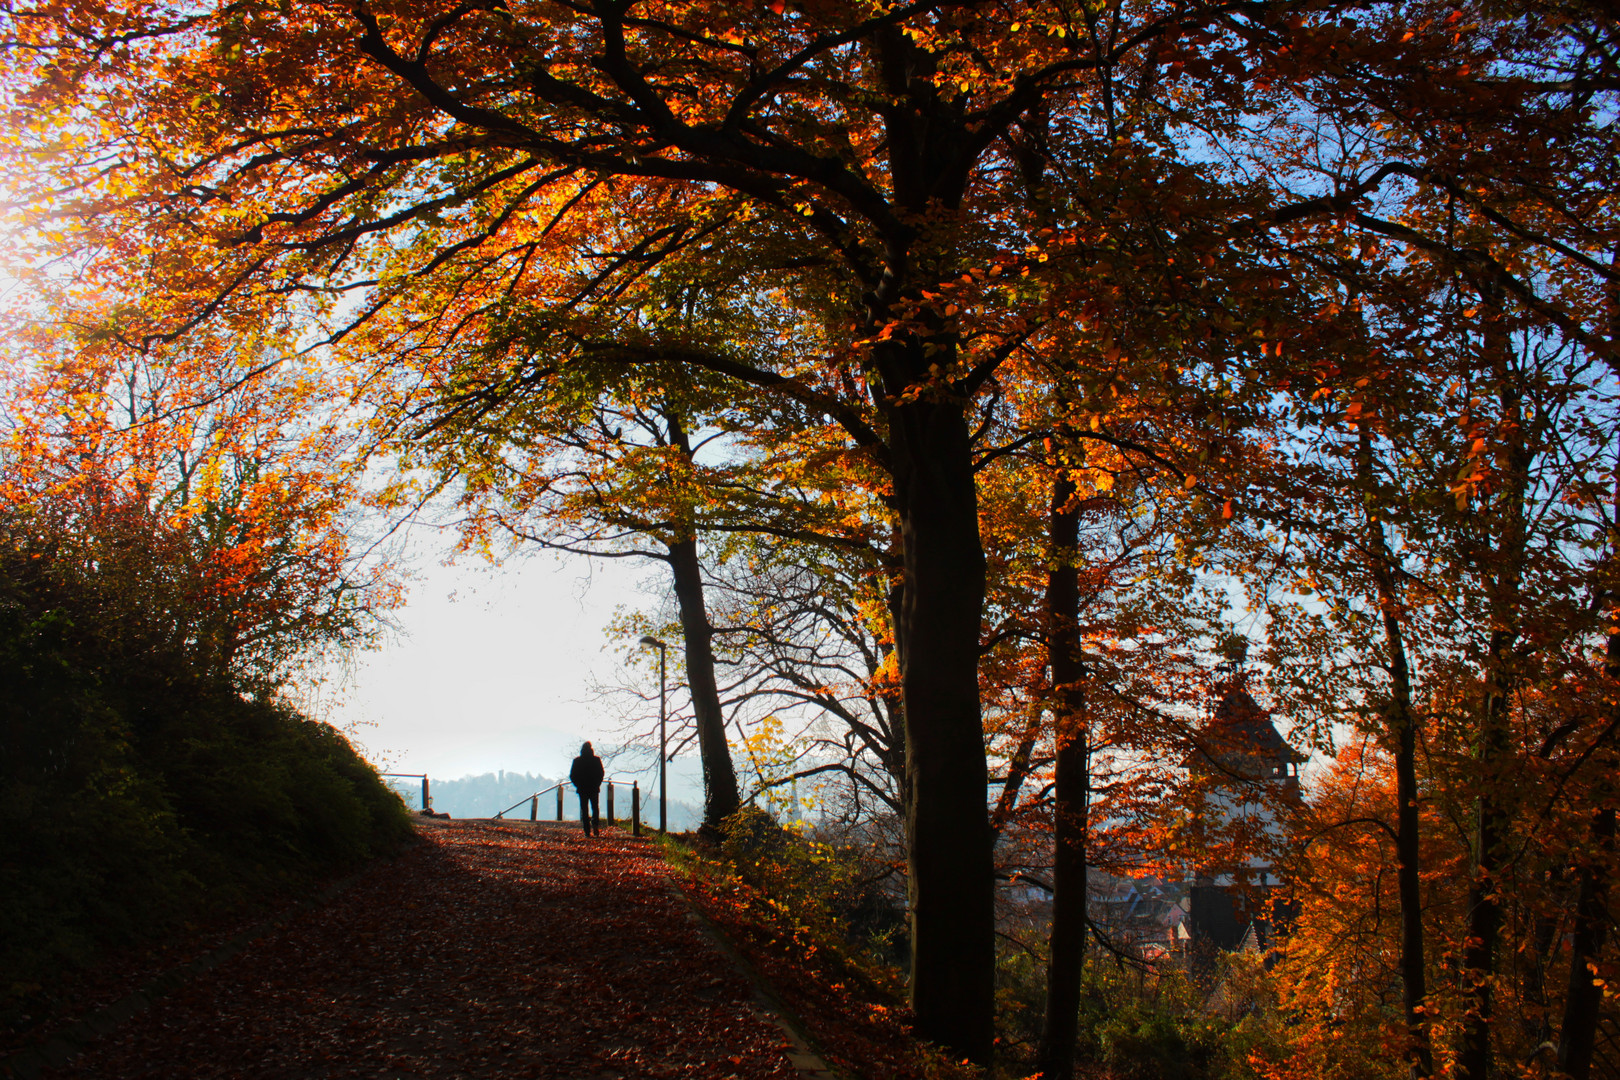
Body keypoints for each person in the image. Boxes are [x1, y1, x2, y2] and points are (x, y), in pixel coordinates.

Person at [569, 741, 605, 836]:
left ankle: (587, 831)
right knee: (595, 807)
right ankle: (595, 824)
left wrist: (578, 785)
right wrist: (597, 784)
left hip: (582, 789)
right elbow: (601, 773)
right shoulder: (596, 760)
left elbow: (572, 775)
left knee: (584, 809)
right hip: (594, 788)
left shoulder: (577, 761)